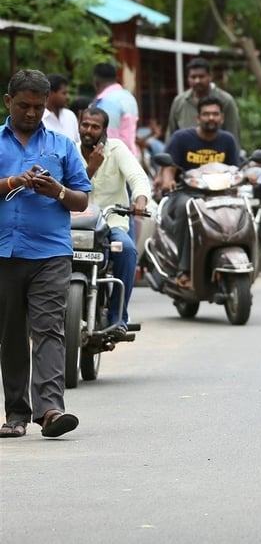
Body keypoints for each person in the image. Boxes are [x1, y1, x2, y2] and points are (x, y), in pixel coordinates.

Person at [0, 69, 92, 439]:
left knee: (49, 330)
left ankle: (51, 410)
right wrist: (12, 182)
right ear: (9, 102)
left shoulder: (62, 145)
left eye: (38, 107)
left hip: (51, 253)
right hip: (5, 253)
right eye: (24, 106)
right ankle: (16, 415)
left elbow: (82, 197)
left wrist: (56, 190)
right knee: (10, 335)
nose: (32, 113)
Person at [77, 106, 152, 332]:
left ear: (104, 130)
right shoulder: (69, 149)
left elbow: (137, 176)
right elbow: (67, 187)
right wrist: (91, 168)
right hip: (78, 225)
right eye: (85, 125)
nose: (89, 130)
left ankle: (118, 317)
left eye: (95, 127)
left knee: (127, 251)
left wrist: (140, 200)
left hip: (112, 222)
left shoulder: (117, 148)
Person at [157, 96, 240, 288]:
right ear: (198, 118)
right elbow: (169, 167)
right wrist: (168, 180)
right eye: (206, 114)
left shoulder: (228, 140)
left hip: (220, 195)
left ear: (222, 118)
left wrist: (246, 178)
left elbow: (235, 170)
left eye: (215, 114)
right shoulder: (181, 138)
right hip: (186, 193)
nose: (210, 118)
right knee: (189, 208)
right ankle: (184, 270)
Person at [167, 58, 241, 150]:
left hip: (217, 158)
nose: (197, 81)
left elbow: (233, 135)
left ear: (210, 77)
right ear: (188, 78)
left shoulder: (226, 101)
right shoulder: (179, 101)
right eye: (193, 77)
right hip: (185, 160)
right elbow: (171, 134)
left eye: (201, 76)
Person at [91, 62, 139, 157]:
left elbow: (108, 137)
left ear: (96, 82)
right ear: (116, 79)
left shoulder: (105, 101)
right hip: (131, 157)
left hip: (113, 159)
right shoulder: (129, 97)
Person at [41, 74, 79, 140]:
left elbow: (77, 143)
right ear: (50, 93)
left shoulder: (70, 116)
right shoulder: (40, 119)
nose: (68, 97)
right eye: (64, 93)